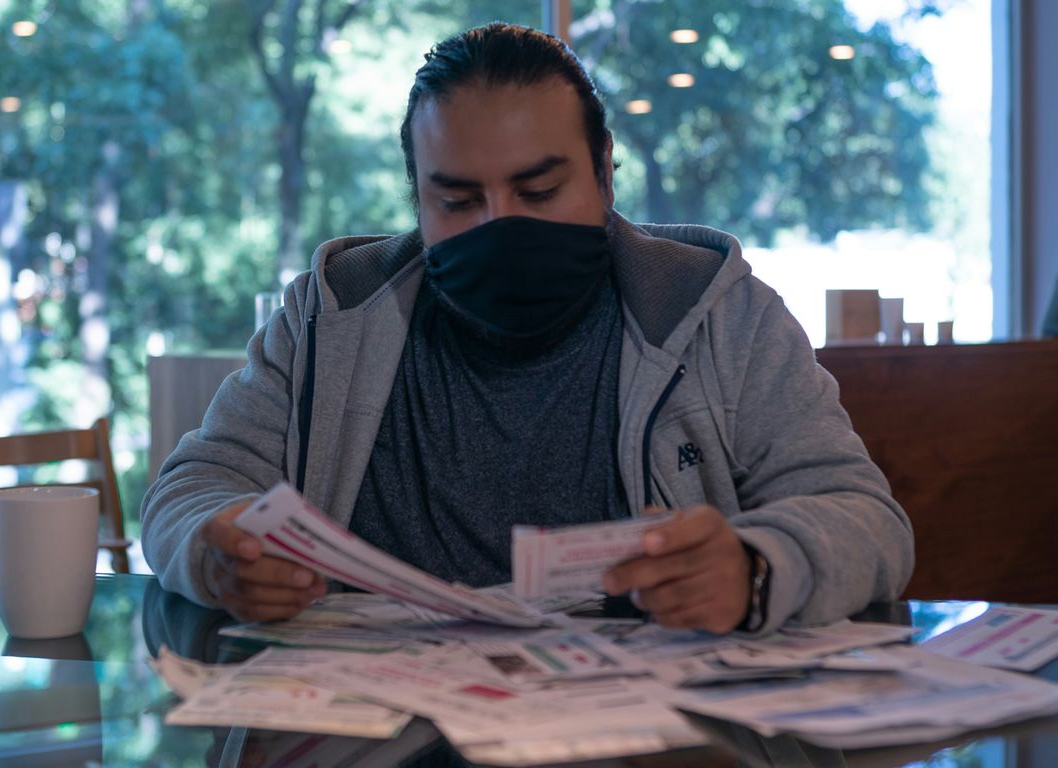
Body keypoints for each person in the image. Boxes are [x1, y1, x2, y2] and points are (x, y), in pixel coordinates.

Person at [141, 22, 913, 634]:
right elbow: (191, 489)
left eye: (538, 190)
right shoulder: (327, 315)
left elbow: (868, 523)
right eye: (458, 200)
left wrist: (753, 566)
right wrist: (216, 552)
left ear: (606, 172)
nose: (500, 226)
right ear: (415, 198)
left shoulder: (721, 314)